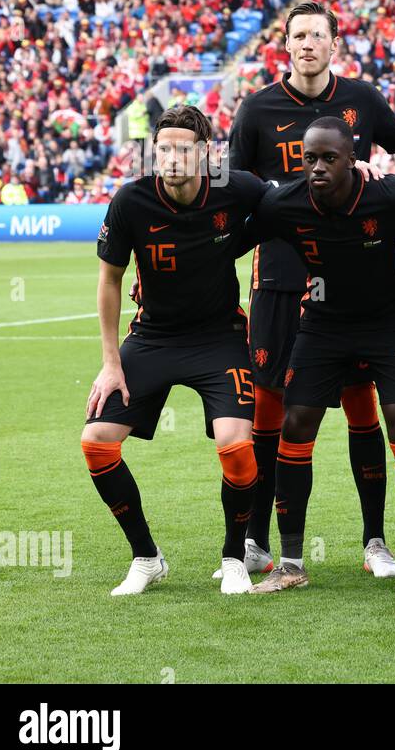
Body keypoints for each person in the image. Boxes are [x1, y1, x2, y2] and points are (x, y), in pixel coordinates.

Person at [227, 1, 395, 581]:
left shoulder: (361, 99)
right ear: (284, 45)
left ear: (334, 44)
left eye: (317, 35)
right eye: (297, 35)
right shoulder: (258, 107)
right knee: (272, 411)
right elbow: (237, 187)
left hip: (351, 281)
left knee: (365, 409)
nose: (306, 43)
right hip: (281, 278)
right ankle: (258, 541)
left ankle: (376, 541)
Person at [246, 118, 395, 595]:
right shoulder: (284, 202)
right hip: (322, 324)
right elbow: (234, 228)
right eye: (309, 158)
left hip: (390, 321)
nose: (317, 167)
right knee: (295, 424)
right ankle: (291, 562)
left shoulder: (389, 193)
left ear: (352, 158)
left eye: (329, 158)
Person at [81, 105, 270, 596]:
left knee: (236, 446)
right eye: (162, 148)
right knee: (97, 441)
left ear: (205, 153)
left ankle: (234, 557)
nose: (170, 157)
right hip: (152, 338)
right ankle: (146, 557)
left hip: (220, 337)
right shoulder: (131, 201)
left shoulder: (235, 187)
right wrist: (110, 362)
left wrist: (357, 169)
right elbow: (108, 281)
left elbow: (287, 199)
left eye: (182, 148)